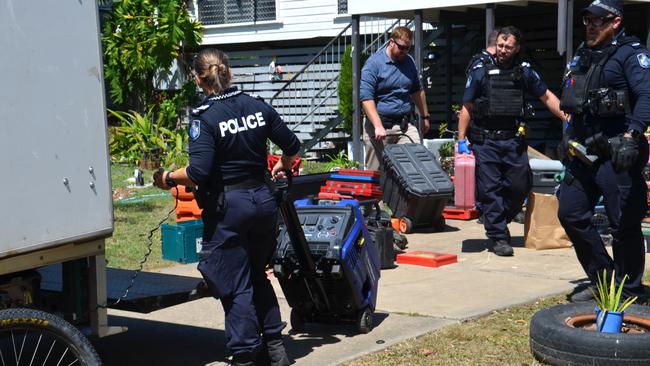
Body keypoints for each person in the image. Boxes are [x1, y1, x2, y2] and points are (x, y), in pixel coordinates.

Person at [153, 48, 299, 366]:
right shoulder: (257, 105)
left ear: (197, 78)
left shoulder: (204, 117)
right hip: (263, 202)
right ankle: (276, 347)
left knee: (233, 282)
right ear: (228, 71)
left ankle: (245, 353)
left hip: (229, 210)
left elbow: (198, 172)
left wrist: (166, 177)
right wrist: (283, 165)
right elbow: (292, 144)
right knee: (257, 274)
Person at [556, 0, 649, 302]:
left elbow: (647, 94)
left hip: (617, 152)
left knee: (623, 224)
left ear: (616, 22)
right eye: (587, 21)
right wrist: (568, 137)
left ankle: (631, 291)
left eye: (598, 20)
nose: (591, 26)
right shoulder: (583, 56)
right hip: (583, 151)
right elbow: (571, 100)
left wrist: (632, 135)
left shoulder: (630, 54)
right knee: (570, 212)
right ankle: (605, 279)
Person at [457, 26, 567, 256]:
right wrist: (461, 140)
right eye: (500, 45)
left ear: (517, 48)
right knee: (491, 189)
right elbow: (466, 106)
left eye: (508, 47)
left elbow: (546, 96)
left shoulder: (523, 72)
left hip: (513, 140)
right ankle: (498, 236)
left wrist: (567, 117)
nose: (503, 50)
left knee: (519, 186)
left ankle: (496, 217)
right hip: (485, 140)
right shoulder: (480, 70)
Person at [360, 26, 430, 171]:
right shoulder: (374, 64)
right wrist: (378, 125)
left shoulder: (409, 62)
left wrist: (424, 116)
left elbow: (417, 90)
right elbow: (366, 98)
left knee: (416, 165)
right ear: (391, 42)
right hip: (379, 127)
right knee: (377, 175)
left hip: (404, 126)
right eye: (402, 48)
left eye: (408, 48)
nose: (404, 52)